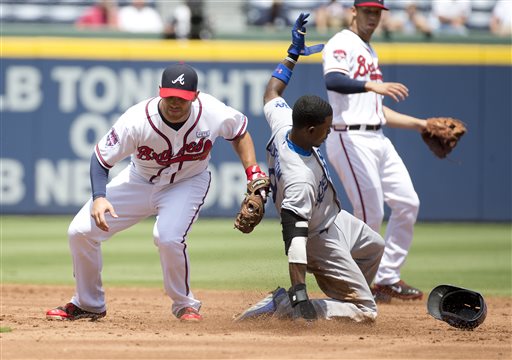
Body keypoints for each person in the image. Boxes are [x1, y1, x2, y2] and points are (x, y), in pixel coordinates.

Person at [46, 63, 268, 322]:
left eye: (182, 98)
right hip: (138, 181)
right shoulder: (137, 120)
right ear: (159, 92)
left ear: (195, 96)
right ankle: (88, 303)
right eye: (170, 96)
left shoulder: (212, 111)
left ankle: (185, 304)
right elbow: (101, 159)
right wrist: (99, 197)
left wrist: (253, 171)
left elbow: (239, 133)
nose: (175, 103)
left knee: (168, 237)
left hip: (187, 182)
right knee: (80, 232)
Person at [237, 13, 385, 323]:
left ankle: (341, 299)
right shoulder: (299, 177)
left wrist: (292, 54)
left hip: (335, 219)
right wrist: (299, 290)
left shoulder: (284, 124)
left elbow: (272, 93)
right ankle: (286, 305)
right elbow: (294, 236)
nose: (329, 131)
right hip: (318, 236)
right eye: (326, 128)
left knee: (374, 248)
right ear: (309, 130)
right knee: (367, 312)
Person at [322, 0, 429, 303]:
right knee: (370, 214)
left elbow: (376, 110)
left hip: (377, 137)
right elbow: (333, 79)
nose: (373, 17)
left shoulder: (370, 51)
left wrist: (421, 124)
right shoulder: (342, 41)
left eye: (377, 12)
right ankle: (351, 287)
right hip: (348, 137)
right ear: (353, 11)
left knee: (408, 203)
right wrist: (371, 85)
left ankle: (385, 278)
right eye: (367, 11)